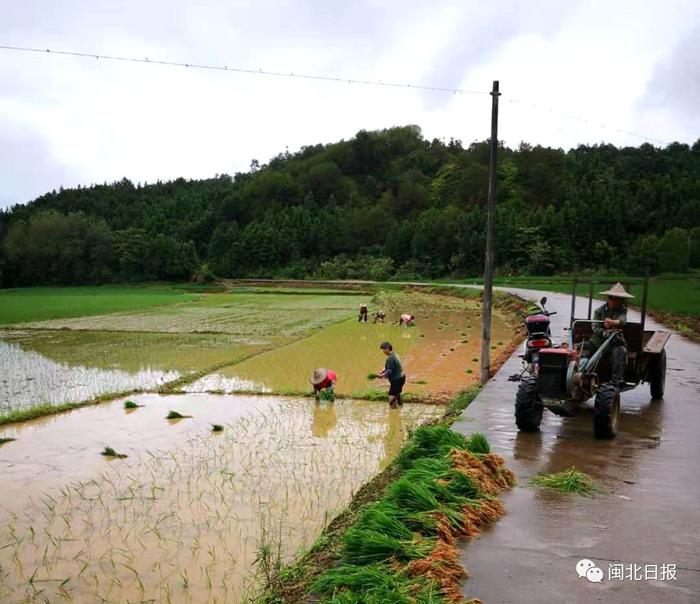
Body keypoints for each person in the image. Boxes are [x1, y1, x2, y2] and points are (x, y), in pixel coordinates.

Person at [581, 282, 633, 386]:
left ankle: (617, 380)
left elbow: (622, 321)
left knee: (621, 352)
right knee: (582, 349)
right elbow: (595, 327)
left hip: (614, 343)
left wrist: (613, 322)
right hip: (597, 342)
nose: (620, 302)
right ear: (610, 299)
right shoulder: (599, 311)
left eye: (621, 299)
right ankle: (580, 374)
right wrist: (604, 333)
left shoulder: (622, 310)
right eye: (617, 299)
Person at [378, 341, 406, 408]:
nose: (383, 352)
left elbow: (390, 371)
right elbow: (390, 367)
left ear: (387, 348)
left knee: (391, 397)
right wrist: (383, 371)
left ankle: (393, 413)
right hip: (402, 377)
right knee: (397, 393)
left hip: (396, 380)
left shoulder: (391, 358)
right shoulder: (394, 355)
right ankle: (401, 407)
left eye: (383, 350)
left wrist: (382, 375)